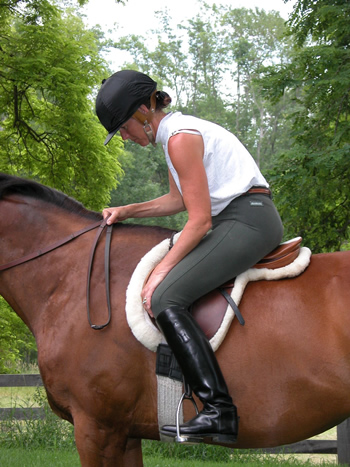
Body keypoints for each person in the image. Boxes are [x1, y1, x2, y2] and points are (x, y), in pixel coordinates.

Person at [96, 69, 284, 444]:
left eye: (125, 130)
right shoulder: (173, 138)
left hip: (248, 219)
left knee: (165, 296)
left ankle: (219, 411)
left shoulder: (180, 139)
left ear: (142, 113)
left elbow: (198, 222)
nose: (127, 139)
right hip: (238, 217)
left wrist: (159, 274)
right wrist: (127, 210)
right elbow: (177, 201)